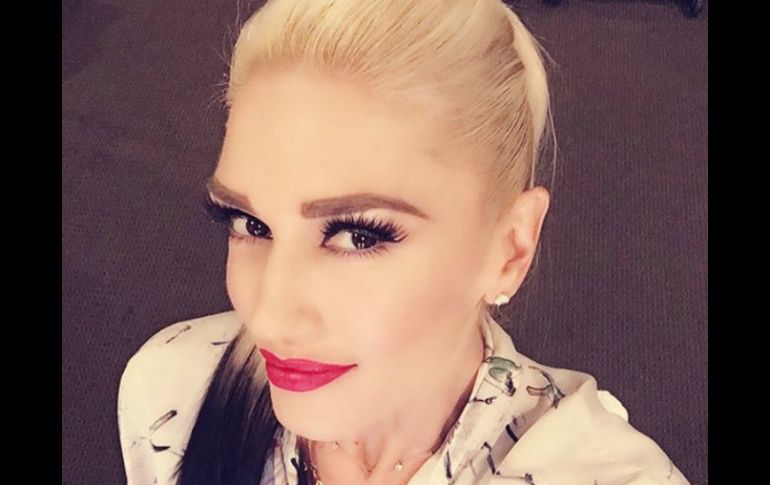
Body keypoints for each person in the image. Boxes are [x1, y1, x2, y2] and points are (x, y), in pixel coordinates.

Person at [117, 1, 692, 484]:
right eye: (249, 223)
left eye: (357, 235)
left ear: (511, 248)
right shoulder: (172, 393)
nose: (268, 318)